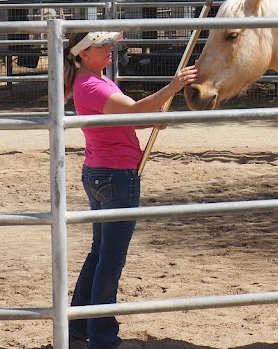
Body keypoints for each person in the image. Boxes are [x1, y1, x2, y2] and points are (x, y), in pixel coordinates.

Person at [63, 30, 197, 349]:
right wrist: (173, 86)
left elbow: (126, 117)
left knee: (100, 254)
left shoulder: (92, 79)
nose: (110, 48)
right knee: (110, 258)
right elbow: (135, 110)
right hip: (116, 175)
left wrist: (149, 120)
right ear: (83, 53)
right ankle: (103, 338)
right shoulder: (92, 84)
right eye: (102, 45)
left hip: (102, 172)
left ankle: (80, 328)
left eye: (109, 44)